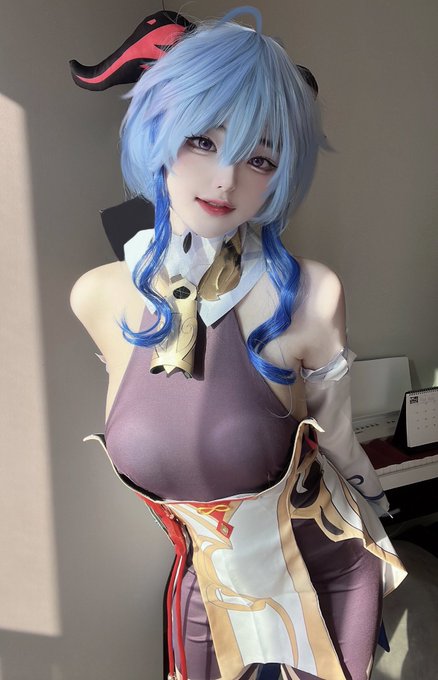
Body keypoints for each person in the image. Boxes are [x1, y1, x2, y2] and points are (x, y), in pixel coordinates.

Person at [70, 7, 406, 680]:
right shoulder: (97, 296)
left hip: (328, 574)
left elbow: (340, 446)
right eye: (202, 140)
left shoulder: (314, 294)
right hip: (207, 582)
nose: (226, 180)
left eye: (260, 159)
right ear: (157, 130)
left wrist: (381, 512)